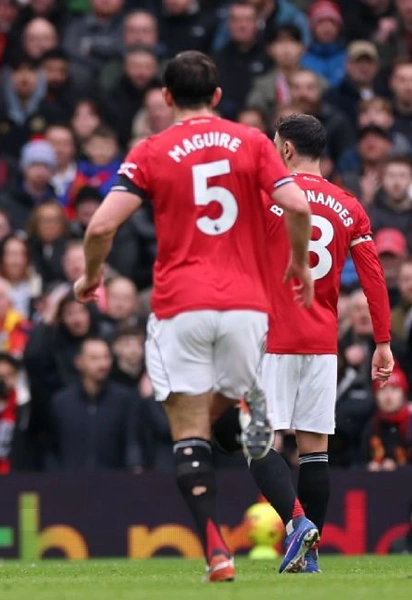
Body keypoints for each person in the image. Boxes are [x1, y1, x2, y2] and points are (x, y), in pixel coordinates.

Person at [73, 51, 313, 583]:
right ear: (219, 97)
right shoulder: (252, 141)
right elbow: (298, 206)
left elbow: (99, 229)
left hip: (181, 305)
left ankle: (218, 554)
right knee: (229, 423)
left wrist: (90, 278)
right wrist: (299, 263)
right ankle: (290, 507)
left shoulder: (153, 149)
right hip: (248, 308)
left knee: (189, 432)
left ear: (165, 97)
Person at [244, 114, 394, 574]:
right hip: (322, 340)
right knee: (314, 449)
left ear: (286, 150)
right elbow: (373, 280)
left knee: (257, 441)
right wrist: (383, 342)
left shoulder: (269, 196)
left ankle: (296, 525)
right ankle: (308, 559)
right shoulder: (349, 205)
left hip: (274, 336)